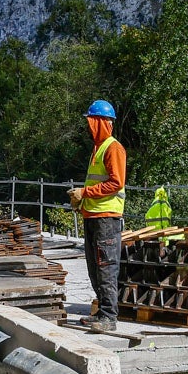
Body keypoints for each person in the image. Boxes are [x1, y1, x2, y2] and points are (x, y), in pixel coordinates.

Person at [67, 100, 126, 332]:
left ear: (101, 122)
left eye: (91, 122)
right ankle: (101, 312)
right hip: (93, 216)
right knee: (94, 268)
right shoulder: (97, 149)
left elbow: (116, 183)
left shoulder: (113, 148)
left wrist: (84, 193)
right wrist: (81, 202)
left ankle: (109, 317)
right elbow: (97, 181)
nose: (88, 127)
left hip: (106, 219)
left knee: (106, 267)